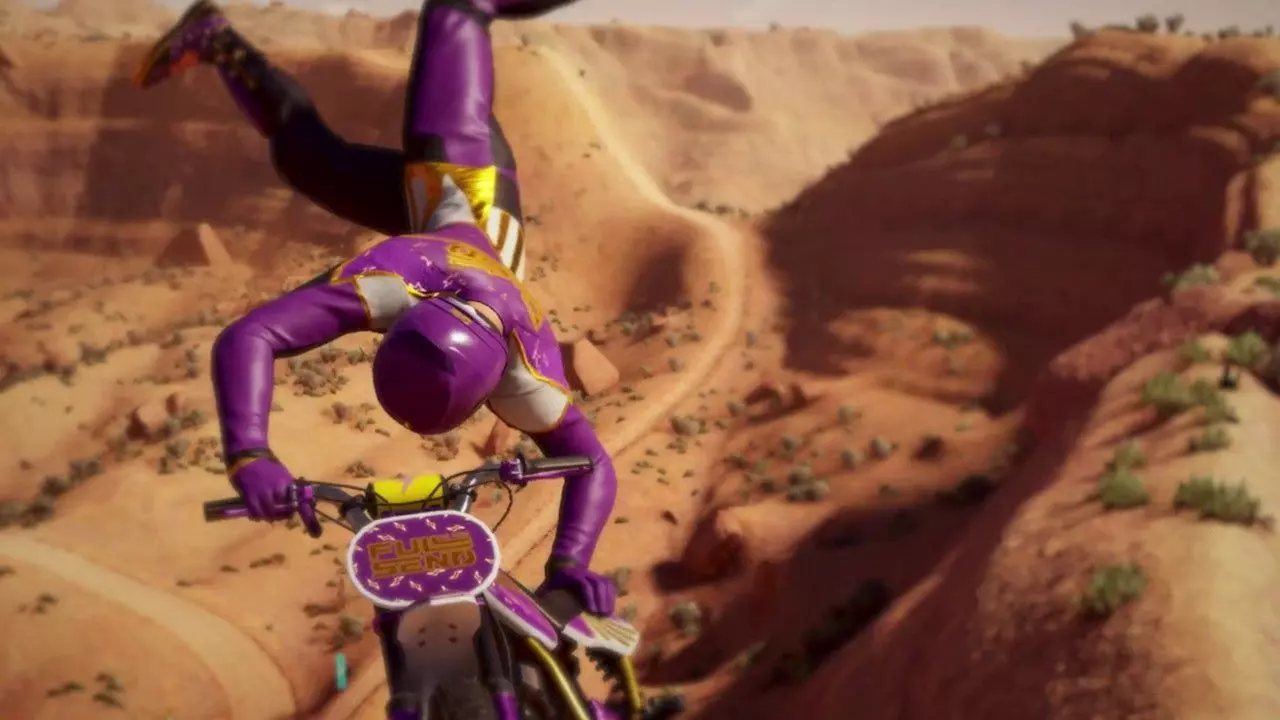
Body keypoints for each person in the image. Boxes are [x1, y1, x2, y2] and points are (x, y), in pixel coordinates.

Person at [211, 219, 620, 716]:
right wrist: (250, 454)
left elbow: (595, 463)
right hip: (435, 244)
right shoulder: (388, 279)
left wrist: (570, 564)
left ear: (492, 398)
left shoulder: (529, 365)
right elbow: (250, 334)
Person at [134, 0, 581, 279]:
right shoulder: (499, 350)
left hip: (432, 220)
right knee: (456, 7)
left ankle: (217, 40)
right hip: (466, 179)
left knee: (307, 162)